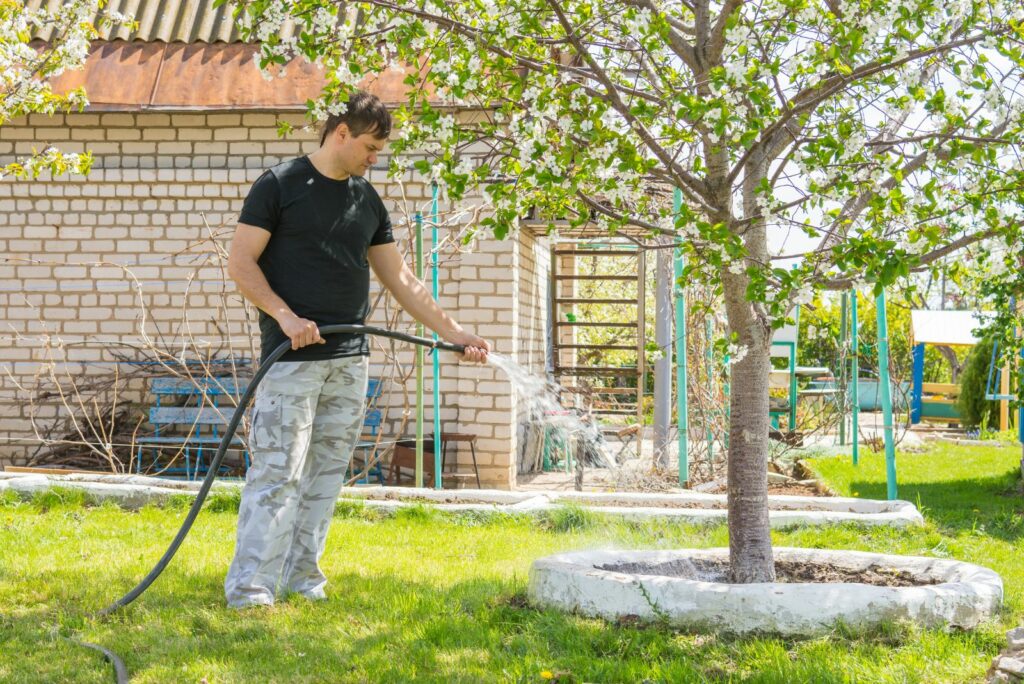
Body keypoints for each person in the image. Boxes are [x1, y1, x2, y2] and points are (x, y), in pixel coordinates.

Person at [224, 91, 490, 608]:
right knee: (278, 473)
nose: (375, 158)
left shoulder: (364, 199)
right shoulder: (279, 186)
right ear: (341, 132)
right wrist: (285, 316)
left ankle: (302, 579)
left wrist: (455, 332)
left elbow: (401, 279)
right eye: (370, 146)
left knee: (325, 476)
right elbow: (240, 264)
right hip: (292, 361)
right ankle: (250, 588)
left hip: (349, 362)